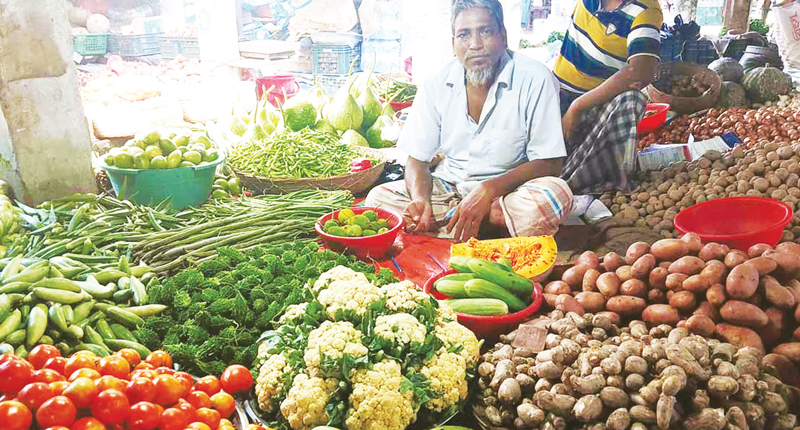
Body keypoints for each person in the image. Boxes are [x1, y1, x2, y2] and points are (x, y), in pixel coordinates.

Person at [364, 0, 574, 243]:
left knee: (555, 197)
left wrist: (489, 190)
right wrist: (420, 200)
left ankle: (455, 225)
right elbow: (417, 160)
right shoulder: (436, 84)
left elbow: (550, 163)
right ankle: (480, 226)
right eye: (464, 35)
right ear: (453, 43)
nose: (475, 45)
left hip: (507, 194)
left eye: (485, 31)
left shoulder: (536, 78)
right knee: (378, 199)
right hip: (451, 189)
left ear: (503, 36)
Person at [553, 0, 663, 194]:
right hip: (555, 95)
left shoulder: (645, 10)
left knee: (632, 100)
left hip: (594, 108)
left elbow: (640, 72)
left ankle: (572, 185)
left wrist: (577, 107)